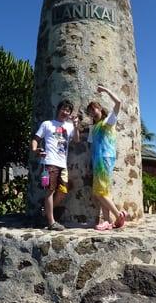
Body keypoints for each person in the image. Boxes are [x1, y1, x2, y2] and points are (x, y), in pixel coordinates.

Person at [31, 100, 80, 231]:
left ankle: (45, 211)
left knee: (63, 191)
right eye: (63, 109)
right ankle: (51, 222)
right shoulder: (47, 124)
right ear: (58, 109)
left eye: (68, 111)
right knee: (50, 190)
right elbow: (36, 139)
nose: (65, 112)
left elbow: (76, 140)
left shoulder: (69, 126)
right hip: (49, 162)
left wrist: (75, 126)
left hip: (62, 164)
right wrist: (36, 150)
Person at [87, 85, 127, 231]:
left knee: (99, 192)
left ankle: (118, 215)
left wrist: (105, 90)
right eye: (90, 111)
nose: (92, 112)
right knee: (104, 192)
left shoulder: (108, 121)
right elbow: (91, 145)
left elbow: (118, 103)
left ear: (100, 109)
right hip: (97, 161)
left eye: (94, 109)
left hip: (105, 159)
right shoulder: (93, 128)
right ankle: (107, 221)